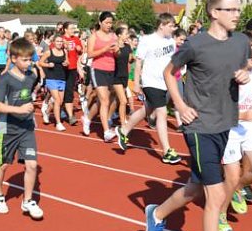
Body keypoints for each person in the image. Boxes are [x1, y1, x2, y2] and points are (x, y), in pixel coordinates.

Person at [143, 0, 251, 231]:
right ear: (213, 12)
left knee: (194, 187)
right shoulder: (195, 44)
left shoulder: (241, 41)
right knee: (215, 196)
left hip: (224, 122)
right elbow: (169, 72)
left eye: (237, 9)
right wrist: (179, 104)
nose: (235, 14)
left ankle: (158, 213)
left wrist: (246, 73)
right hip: (198, 125)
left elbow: (244, 67)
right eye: (229, 9)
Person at [219, 35, 252, 231]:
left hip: (250, 127)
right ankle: (221, 213)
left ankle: (237, 189)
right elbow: (218, 106)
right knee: (230, 177)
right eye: (251, 50)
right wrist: (239, 114)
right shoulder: (230, 74)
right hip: (231, 129)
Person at [0, 37, 44, 220]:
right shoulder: (4, 80)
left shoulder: (31, 76)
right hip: (8, 127)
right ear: (13, 58)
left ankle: (27, 200)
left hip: (26, 126)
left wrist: (29, 106)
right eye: (25, 60)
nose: (29, 63)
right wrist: (18, 109)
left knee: (32, 164)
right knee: (3, 164)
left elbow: (30, 91)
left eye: (30, 59)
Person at [116, 13, 181, 163]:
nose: (173, 29)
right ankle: (167, 151)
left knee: (148, 109)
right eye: (171, 26)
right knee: (162, 112)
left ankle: (124, 130)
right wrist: (137, 83)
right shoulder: (147, 40)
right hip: (150, 82)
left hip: (164, 82)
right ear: (161, 25)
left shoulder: (171, 41)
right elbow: (138, 62)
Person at [87, 12, 119, 141]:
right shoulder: (93, 37)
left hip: (111, 70)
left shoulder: (113, 36)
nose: (109, 25)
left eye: (111, 23)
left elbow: (117, 54)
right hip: (98, 69)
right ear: (100, 22)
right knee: (104, 100)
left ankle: (87, 117)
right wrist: (105, 49)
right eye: (106, 22)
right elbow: (89, 54)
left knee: (105, 100)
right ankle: (106, 131)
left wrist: (117, 51)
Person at [38, 35, 68, 131]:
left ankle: (47, 111)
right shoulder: (48, 52)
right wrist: (48, 64)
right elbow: (40, 62)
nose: (59, 43)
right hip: (51, 78)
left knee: (60, 102)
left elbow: (67, 62)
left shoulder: (64, 52)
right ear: (54, 42)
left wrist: (66, 63)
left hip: (62, 78)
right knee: (57, 100)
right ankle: (58, 123)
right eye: (58, 41)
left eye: (61, 41)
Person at [61, 22, 83, 125]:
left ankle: (70, 116)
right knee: (60, 92)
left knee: (69, 91)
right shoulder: (60, 39)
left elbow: (80, 50)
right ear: (65, 29)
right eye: (71, 28)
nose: (73, 30)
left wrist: (79, 49)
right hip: (61, 69)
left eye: (74, 28)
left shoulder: (76, 39)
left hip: (72, 68)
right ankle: (49, 108)